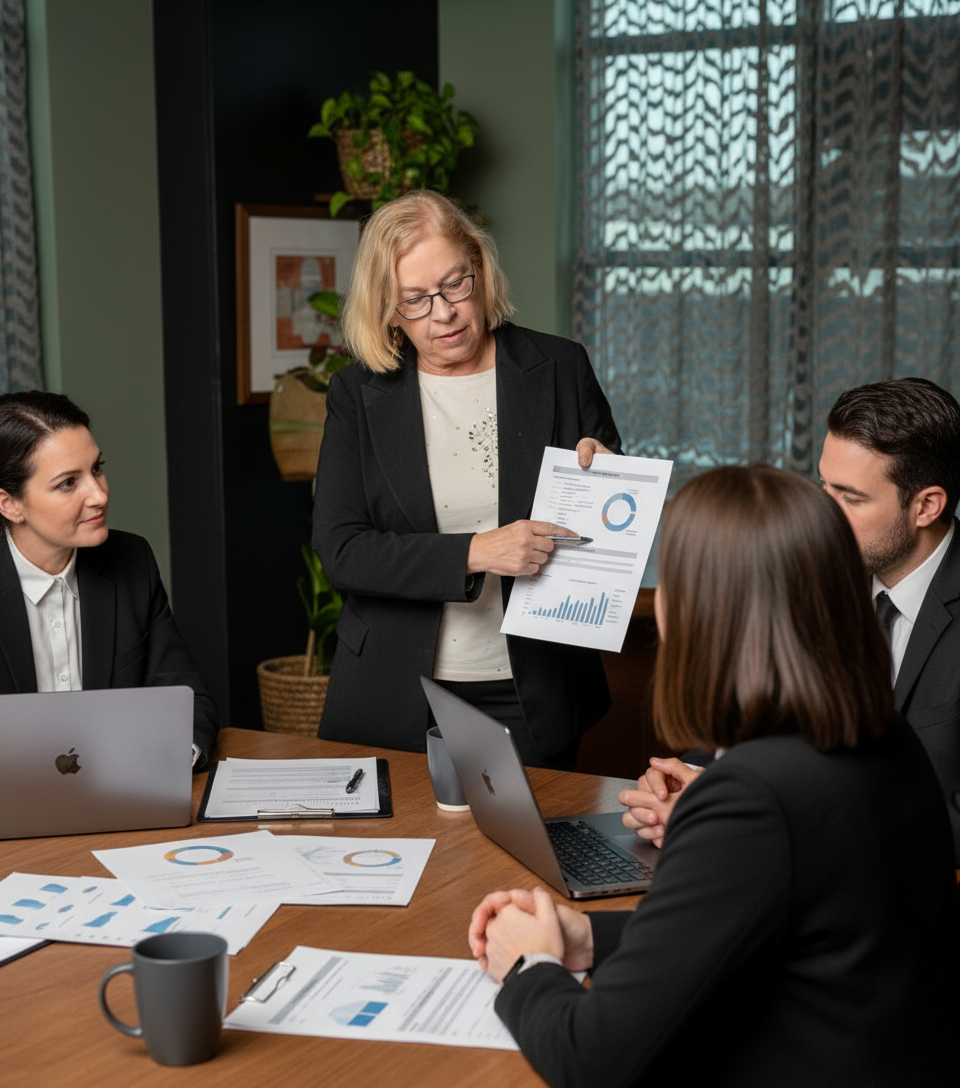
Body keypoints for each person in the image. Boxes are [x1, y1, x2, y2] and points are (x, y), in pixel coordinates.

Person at [468, 465, 957, 1087]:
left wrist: (527, 964)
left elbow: (589, 1060)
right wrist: (585, 935)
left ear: (695, 613)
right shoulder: (886, 737)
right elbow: (764, 928)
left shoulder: (752, 795)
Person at [313, 190, 620, 767]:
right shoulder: (356, 395)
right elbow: (343, 551)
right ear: (389, 310)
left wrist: (602, 474)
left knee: (530, 859)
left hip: (536, 686)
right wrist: (476, 552)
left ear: (479, 269)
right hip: (394, 690)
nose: (444, 312)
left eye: (456, 284)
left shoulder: (561, 367)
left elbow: (608, 516)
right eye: (416, 299)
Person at [624, 377, 960, 862]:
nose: (823, 512)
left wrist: (740, 815)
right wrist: (693, 786)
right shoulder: (806, 575)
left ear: (926, 506)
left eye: (851, 497)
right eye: (823, 486)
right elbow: (747, 716)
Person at [0, 391, 218, 769]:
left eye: (96, 469)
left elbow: (187, 700)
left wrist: (169, 761)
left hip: (122, 795)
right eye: (68, 483)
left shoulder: (132, 562)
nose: (99, 494)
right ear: (10, 504)